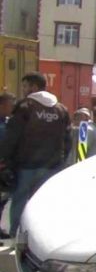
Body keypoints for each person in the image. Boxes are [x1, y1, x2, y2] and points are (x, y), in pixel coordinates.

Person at [0, 73, 71, 236]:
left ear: (34, 87)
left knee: (19, 201)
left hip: (26, 165)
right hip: (51, 166)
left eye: (25, 86)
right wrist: (61, 162)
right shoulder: (61, 109)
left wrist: (5, 161)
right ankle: (37, 237)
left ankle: (16, 235)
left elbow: (12, 137)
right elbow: (68, 140)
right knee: (41, 204)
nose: (24, 90)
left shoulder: (25, 107)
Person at [0, 92, 16, 239]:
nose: (12, 108)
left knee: (3, 200)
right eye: (10, 105)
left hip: (4, 166)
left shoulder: (6, 122)